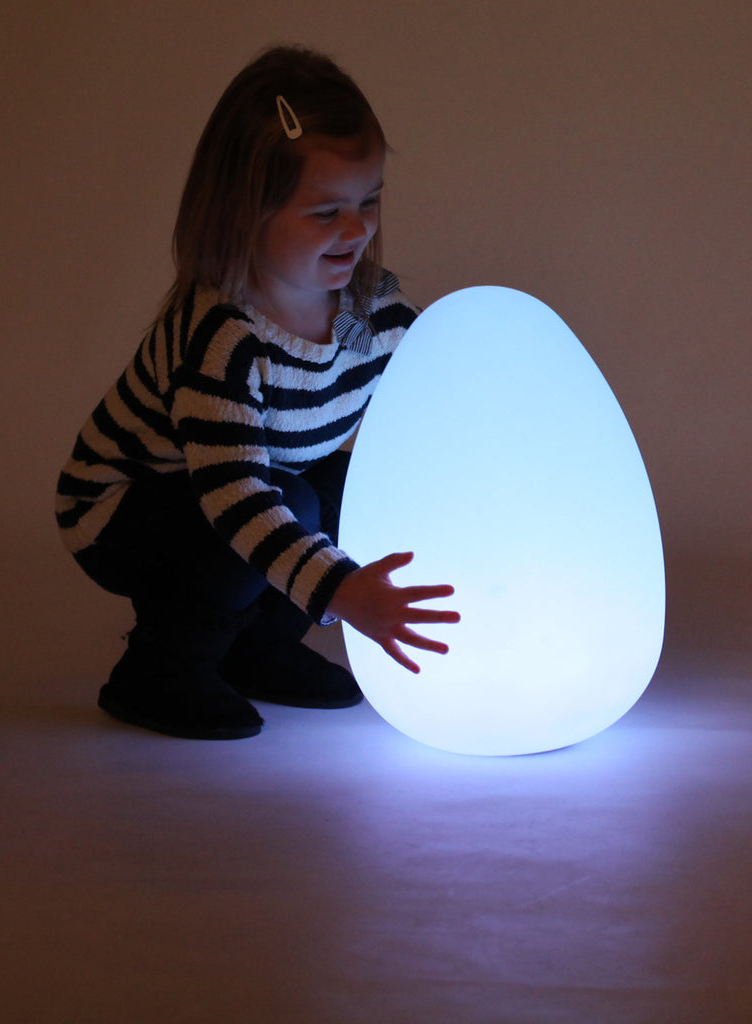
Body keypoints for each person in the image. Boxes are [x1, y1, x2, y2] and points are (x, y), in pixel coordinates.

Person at [55, 45, 459, 740]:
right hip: (123, 510)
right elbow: (237, 499)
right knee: (292, 501)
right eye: (325, 210)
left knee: (337, 483)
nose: (357, 229)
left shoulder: (367, 316)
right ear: (247, 214)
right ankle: (159, 669)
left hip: (253, 489)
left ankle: (257, 649)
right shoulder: (223, 337)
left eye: (369, 200)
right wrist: (340, 589)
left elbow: (440, 380)